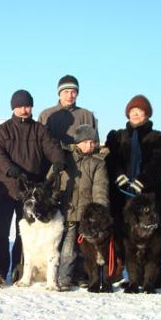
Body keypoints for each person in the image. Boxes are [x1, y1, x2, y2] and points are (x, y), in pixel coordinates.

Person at [0, 89, 66, 281]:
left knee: (24, 235)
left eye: (27, 106)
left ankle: (19, 270)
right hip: (6, 189)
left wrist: (58, 160)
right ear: (13, 108)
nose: (24, 110)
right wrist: (10, 169)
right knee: (0, 233)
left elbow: (52, 147)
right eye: (19, 106)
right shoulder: (2, 130)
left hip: (32, 192)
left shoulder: (40, 130)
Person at [57, 124, 110, 290]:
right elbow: (53, 180)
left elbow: (100, 189)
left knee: (86, 251)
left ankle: (82, 276)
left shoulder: (98, 163)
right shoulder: (65, 158)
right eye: (86, 142)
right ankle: (64, 278)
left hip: (88, 214)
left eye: (93, 142)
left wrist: (100, 212)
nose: (90, 145)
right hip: (69, 211)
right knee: (68, 249)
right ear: (78, 142)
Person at [105, 94, 161, 225]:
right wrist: (118, 175)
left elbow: (159, 163)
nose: (135, 113)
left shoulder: (158, 137)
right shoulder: (116, 136)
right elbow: (110, 160)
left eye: (140, 111)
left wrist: (143, 180)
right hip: (120, 194)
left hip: (148, 194)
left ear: (147, 114)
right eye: (132, 111)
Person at [38, 75, 98, 145]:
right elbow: (38, 144)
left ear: (77, 94)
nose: (70, 96)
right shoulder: (45, 115)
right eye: (66, 92)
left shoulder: (87, 115)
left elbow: (96, 145)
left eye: (73, 92)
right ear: (59, 93)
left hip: (79, 156)